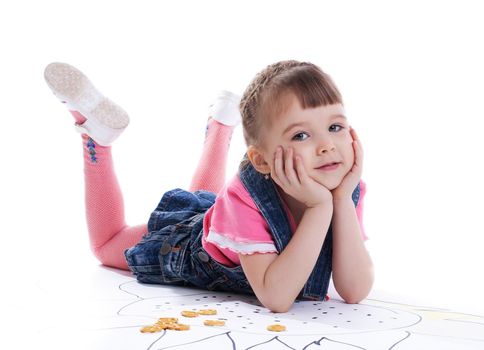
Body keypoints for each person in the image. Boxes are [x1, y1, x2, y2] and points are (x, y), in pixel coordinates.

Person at [44, 60, 374, 313]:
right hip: (185, 246)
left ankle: (221, 123)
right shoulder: (247, 195)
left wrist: (341, 201)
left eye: (335, 126)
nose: (327, 146)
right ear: (261, 161)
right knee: (106, 245)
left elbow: (355, 290)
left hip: (219, 221)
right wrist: (319, 208)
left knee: (209, 201)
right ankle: (97, 138)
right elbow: (277, 297)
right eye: (301, 135)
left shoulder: (343, 188)